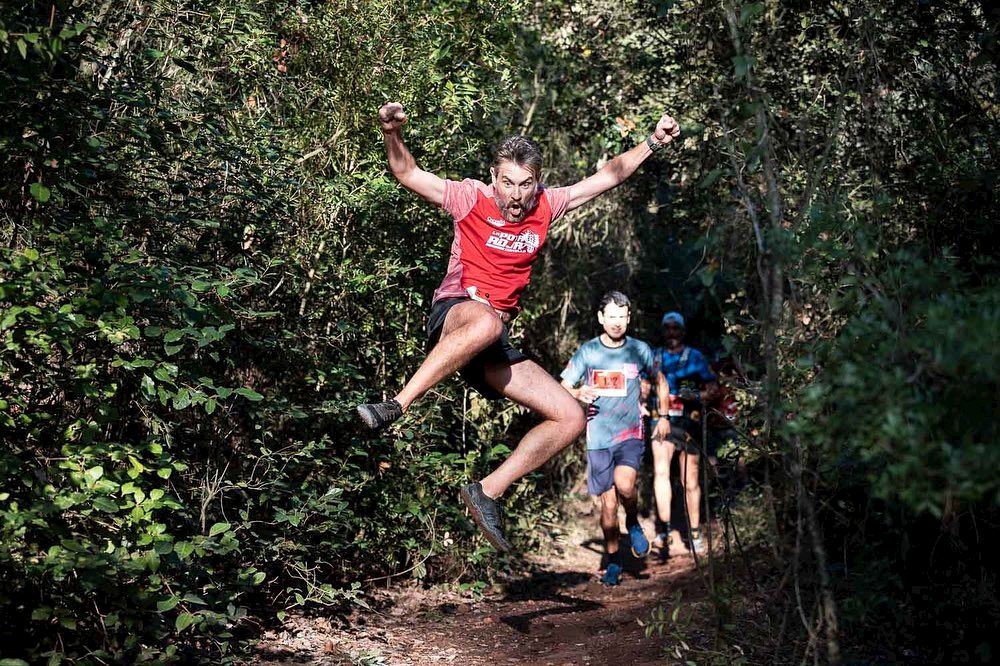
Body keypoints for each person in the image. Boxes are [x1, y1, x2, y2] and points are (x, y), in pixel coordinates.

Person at [356, 102, 682, 552]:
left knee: (570, 416)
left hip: (492, 341)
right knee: (488, 321)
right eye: (507, 182)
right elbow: (409, 174)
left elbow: (609, 175)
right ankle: (398, 402)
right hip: (456, 315)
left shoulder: (548, 205)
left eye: (525, 184)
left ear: (537, 183)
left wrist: (651, 143)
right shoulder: (470, 197)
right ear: (493, 177)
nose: (515, 195)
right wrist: (392, 133)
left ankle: (487, 490)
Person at [560, 291, 670, 585]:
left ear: (629, 318)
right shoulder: (588, 352)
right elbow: (563, 386)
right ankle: (613, 561)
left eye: (622, 317)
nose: (617, 323)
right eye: (611, 317)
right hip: (598, 437)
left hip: (630, 433)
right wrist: (577, 393)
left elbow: (660, 380)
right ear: (601, 318)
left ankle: (632, 521)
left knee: (625, 485)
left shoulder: (640, 349)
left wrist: (664, 417)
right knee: (608, 506)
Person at [649, 311, 718, 557]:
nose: (671, 333)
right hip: (661, 421)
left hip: (689, 421)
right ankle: (664, 531)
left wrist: (697, 397)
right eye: (667, 328)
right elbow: (644, 384)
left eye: (676, 328)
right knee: (661, 472)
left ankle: (695, 533)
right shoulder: (654, 356)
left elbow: (712, 386)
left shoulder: (695, 357)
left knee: (690, 481)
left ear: (683, 330)